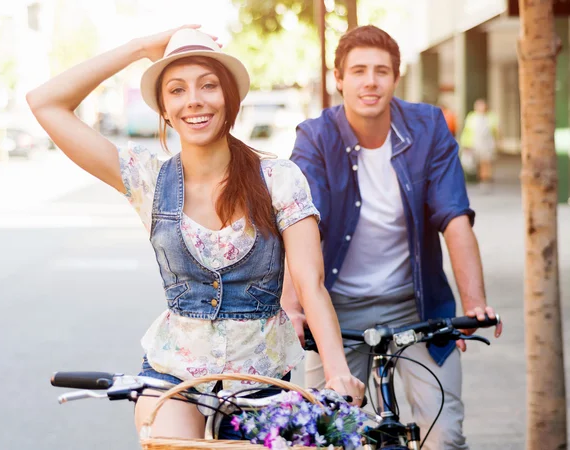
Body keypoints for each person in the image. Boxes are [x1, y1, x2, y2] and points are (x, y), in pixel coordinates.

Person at [26, 25, 364, 441]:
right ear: (164, 109)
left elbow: (311, 285)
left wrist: (337, 374)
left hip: (261, 381)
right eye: (177, 90)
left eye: (208, 86)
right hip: (173, 375)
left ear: (229, 100)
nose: (194, 101)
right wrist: (137, 47)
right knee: (170, 445)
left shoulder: (279, 178)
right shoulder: (147, 179)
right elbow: (45, 104)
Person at [281, 25, 503, 450]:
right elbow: (301, 223)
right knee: (323, 435)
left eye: (381, 71)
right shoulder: (316, 136)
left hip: (413, 304)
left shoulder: (429, 126)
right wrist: (292, 307)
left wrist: (474, 305)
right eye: (359, 70)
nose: (370, 81)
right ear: (339, 79)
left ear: (395, 78)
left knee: (444, 437)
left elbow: (454, 217)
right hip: (335, 309)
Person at [460, 98, 499, 186]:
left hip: (487, 143)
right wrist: (465, 144)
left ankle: (485, 180)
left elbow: (496, 131)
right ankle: (480, 178)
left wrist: (498, 142)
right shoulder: (471, 117)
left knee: (486, 162)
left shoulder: (491, 117)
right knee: (477, 162)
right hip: (474, 143)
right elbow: (467, 131)